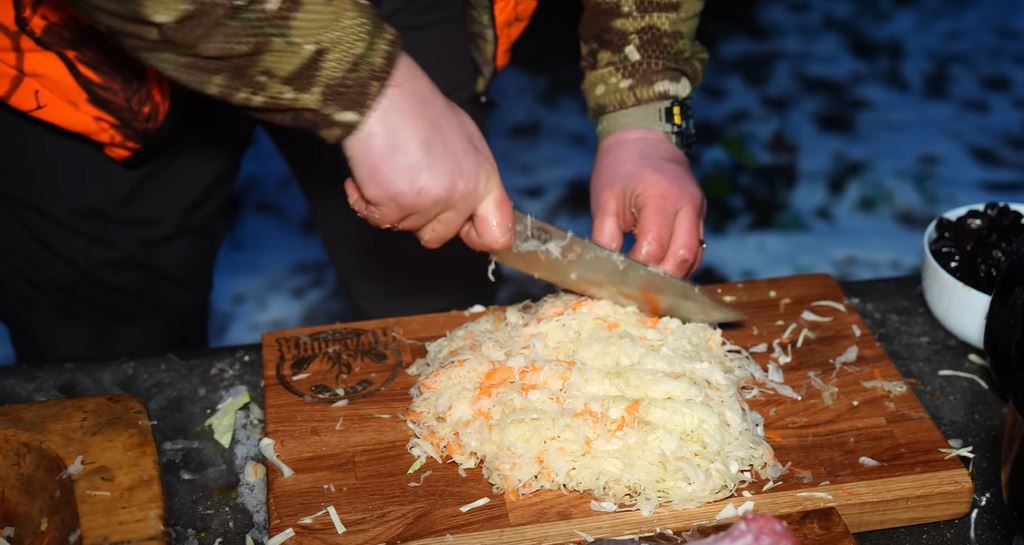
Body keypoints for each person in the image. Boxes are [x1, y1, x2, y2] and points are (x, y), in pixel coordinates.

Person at [0, 0, 708, 363]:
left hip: (406, 15)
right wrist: (363, 87)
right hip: (73, 52)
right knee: (109, 357)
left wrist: (645, 111)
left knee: (433, 312)